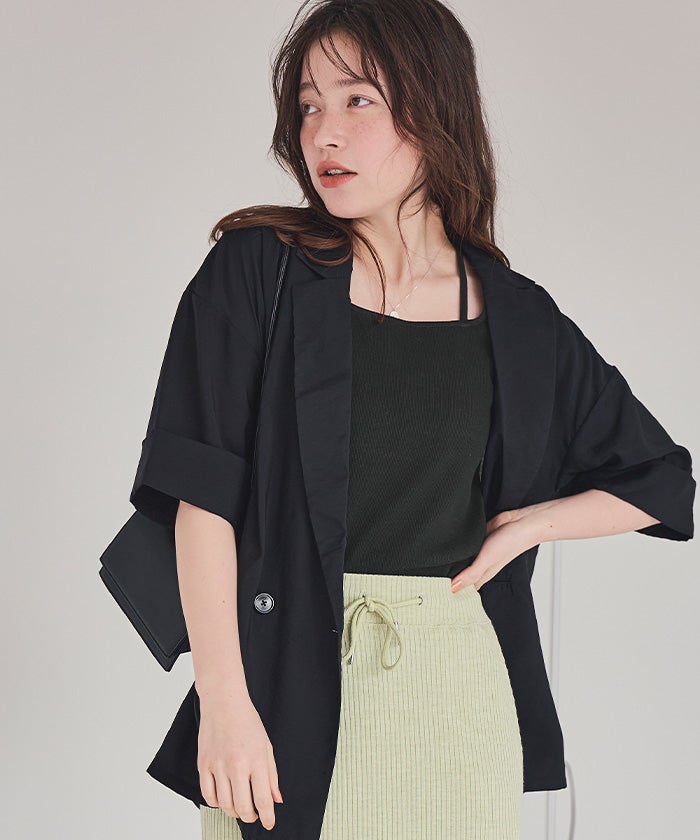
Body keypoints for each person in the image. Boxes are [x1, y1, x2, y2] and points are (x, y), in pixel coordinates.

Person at [127, 2, 695, 839]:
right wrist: (224, 703)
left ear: (436, 109)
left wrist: (529, 527)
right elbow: (202, 496)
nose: (323, 133)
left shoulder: (520, 318)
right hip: (281, 688)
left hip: (457, 695)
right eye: (308, 105)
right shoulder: (257, 275)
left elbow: (664, 481)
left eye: (358, 100)